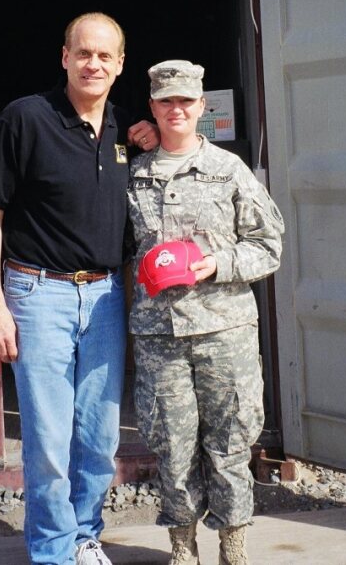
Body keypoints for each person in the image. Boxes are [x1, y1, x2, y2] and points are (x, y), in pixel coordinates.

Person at [0, 12, 158, 565]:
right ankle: (52, 551)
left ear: (121, 64)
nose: (93, 63)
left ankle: (84, 535)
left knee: (99, 436)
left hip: (104, 298)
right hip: (37, 293)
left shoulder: (126, 129)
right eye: (84, 53)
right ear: (65, 57)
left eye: (105, 55)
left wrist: (146, 133)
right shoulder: (26, 118)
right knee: (49, 439)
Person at [127, 60, 284, 565]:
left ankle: (233, 546)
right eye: (166, 101)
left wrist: (219, 263)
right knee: (171, 445)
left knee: (232, 442)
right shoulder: (132, 173)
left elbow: (269, 245)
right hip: (160, 336)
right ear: (152, 107)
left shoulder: (228, 169)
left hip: (225, 331)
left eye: (186, 101)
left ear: (202, 107)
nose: (177, 109)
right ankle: (182, 547)